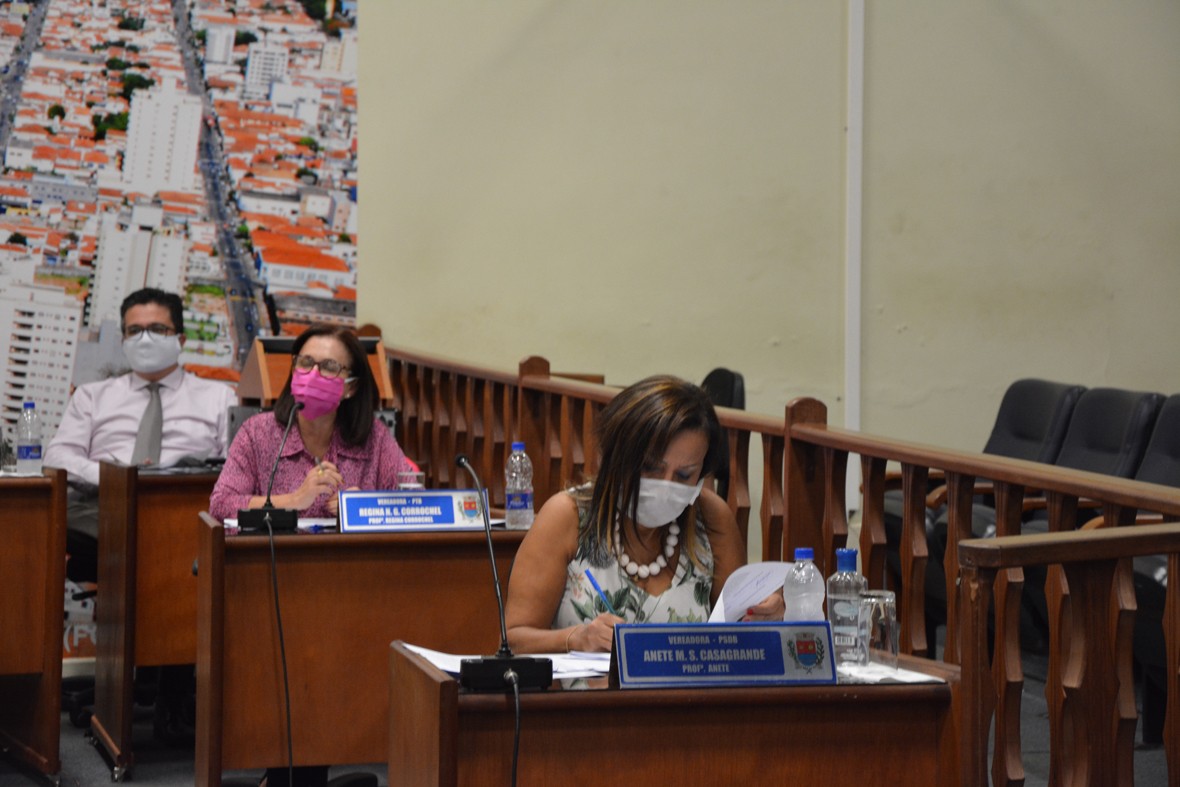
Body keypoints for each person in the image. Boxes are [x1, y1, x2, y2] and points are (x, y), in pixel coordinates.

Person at [505, 374, 783, 654]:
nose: (666, 485)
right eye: (650, 467)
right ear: (616, 458)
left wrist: (766, 615)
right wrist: (576, 639)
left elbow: (738, 632)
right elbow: (513, 639)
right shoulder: (568, 516)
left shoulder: (711, 518)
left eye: (684, 475)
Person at [45, 287, 237, 584]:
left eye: (157, 329)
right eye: (134, 331)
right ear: (123, 340)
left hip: (186, 512)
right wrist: (115, 475)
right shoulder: (93, 396)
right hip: (103, 510)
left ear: (180, 339)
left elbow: (237, 468)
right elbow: (57, 457)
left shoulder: (219, 397)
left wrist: (172, 474)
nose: (144, 339)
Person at [209, 323, 415, 521]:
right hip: (276, 547)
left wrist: (366, 505)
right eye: (306, 363)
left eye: (329, 366)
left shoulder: (374, 437)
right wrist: (294, 500)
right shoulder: (257, 433)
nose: (313, 374)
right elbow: (221, 505)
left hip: (349, 547)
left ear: (351, 387)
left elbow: (415, 503)